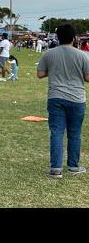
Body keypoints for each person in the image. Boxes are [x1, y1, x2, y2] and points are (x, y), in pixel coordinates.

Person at [37, 24, 89, 179]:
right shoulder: (83, 55)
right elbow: (87, 77)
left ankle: (55, 169)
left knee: (56, 132)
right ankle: (73, 166)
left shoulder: (48, 54)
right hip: (77, 98)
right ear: (74, 38)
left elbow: (40, 74)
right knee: (74, 133)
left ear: (57, 38)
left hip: (55, 97)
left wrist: (53, 71)